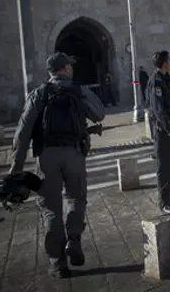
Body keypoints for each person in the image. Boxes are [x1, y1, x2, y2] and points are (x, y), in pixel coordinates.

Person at [9, 52, 105, 278]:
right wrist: (82, 96)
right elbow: (99, 114)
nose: (71, 69)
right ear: (65, 69)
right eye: (69, 66)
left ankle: (58, 264)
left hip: (46, 157)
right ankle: (73, 239)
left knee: (50, 208)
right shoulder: (78, 90)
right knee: (76, 198)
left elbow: (22, 134)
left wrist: (16, 168)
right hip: (74, 154)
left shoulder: (38, 94)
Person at [146, 50, 170, 214]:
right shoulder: (156, 81)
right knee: (164, 165)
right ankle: (164, 202)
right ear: (164, 63)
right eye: (169, 60)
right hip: (163, 130)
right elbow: (158, 111)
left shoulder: (165, 78)